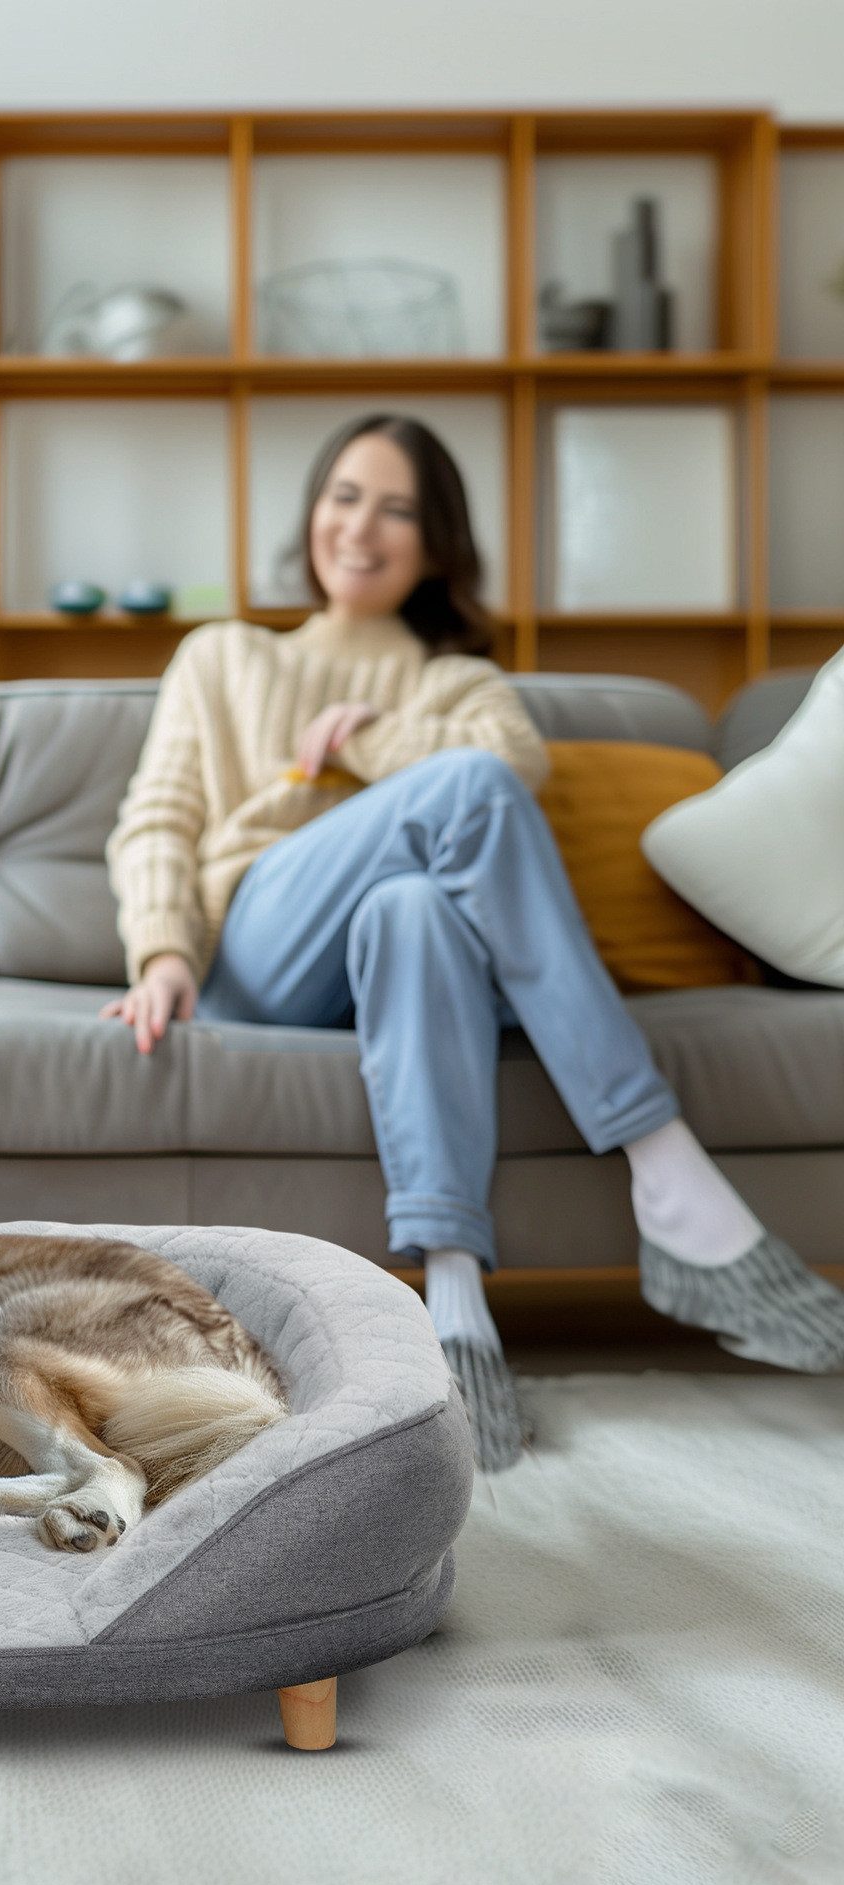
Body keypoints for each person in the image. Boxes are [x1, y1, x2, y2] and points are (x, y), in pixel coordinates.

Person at [101, 412, 844, 1470]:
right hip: (261, 944)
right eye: (344, 496)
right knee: (464, 788)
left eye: (396, 509)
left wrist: (369, 736)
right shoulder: (225, 655)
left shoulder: (459, 684)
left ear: (436, 542)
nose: (361, 527)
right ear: (312, 513)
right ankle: (666, 1167)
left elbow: (516, 767)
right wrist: (163, 950)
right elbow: (157, 818)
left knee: (412, 907)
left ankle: (453, 1305)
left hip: (391, 963)